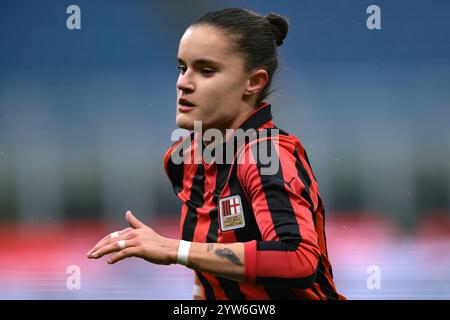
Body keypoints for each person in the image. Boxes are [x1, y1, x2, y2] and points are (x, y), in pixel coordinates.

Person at [87, 8, 345, 300]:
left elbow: (297, 258)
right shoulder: (184, 159)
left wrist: (174, 249)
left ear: (254, 82)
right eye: (182, 68)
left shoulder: (265, 155)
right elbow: (209, 276)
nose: (183, 82)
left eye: (206, 70)